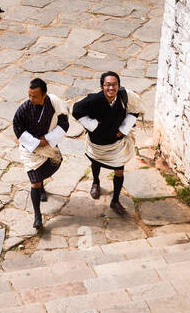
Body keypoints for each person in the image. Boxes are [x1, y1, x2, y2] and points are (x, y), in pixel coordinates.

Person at [71, 71, 145, 217]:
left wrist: (124, 130)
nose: (111, 88)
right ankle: (96, 182)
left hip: (116, 144)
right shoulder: (93, 100)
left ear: (119, 85)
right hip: (97, 143)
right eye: (108, 85)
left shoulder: (125, 97)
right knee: (96, 163)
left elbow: (136, 110)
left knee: (119, 170)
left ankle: (115, 200)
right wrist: (93, 126)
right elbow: (76, 110)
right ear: (102, 86)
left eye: (114, 85)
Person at [12, 77, 70, 230]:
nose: (31, 99)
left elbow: (64, 124)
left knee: (53, 163)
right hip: (30, 149)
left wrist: (47, 139)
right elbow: (18, 128)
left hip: (48, 146)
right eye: (29, 95)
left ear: (44, 95)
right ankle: (37, 216)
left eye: (35, 96)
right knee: (35, 182)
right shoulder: (24, 109)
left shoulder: (54, 104)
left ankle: (42, 186)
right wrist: (36, 142)